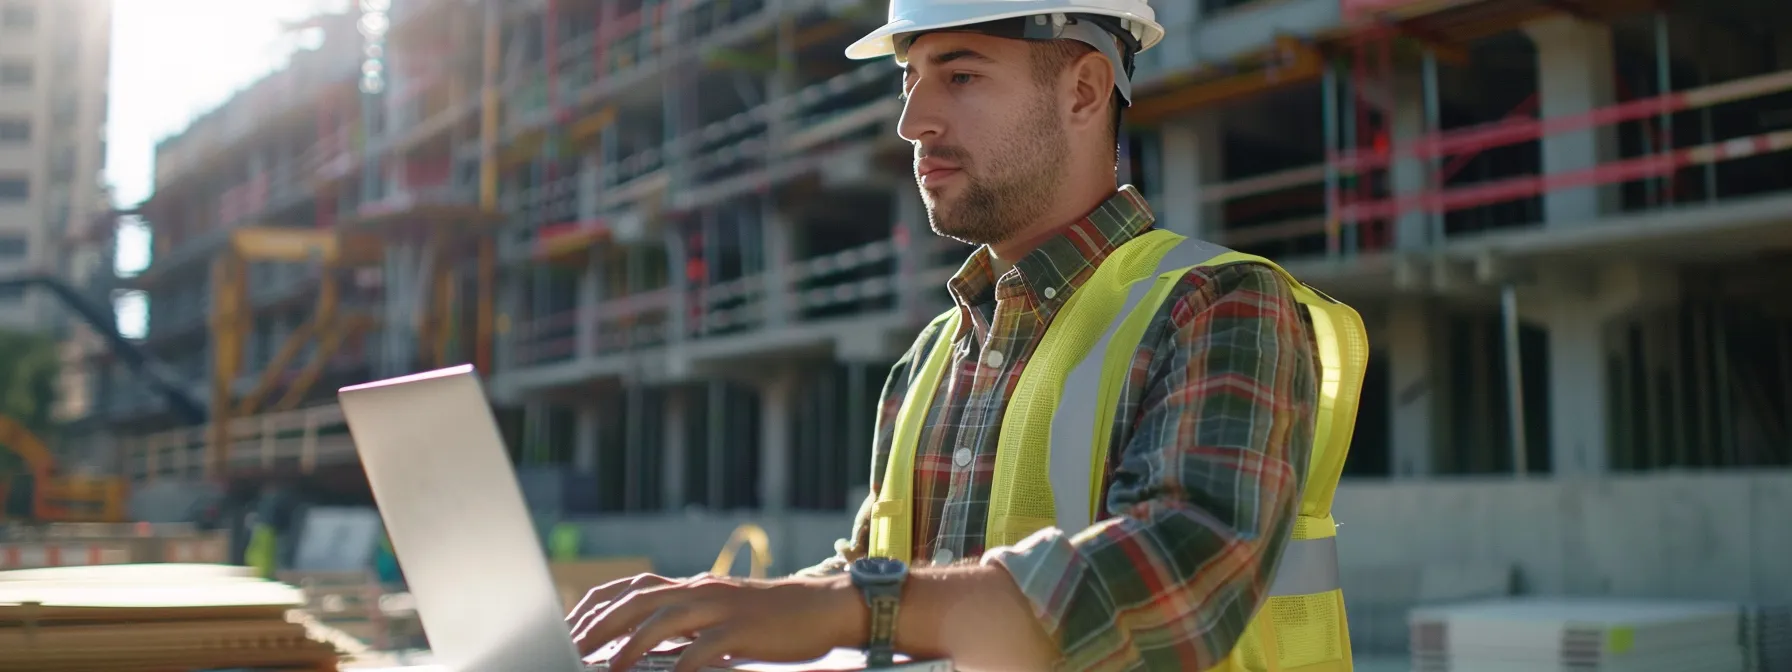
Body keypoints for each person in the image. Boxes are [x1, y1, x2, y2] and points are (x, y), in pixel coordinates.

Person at [566, 1, 1367, 671]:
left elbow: (1181, 571)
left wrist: (848, 605)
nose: (913, 121)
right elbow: (881, 592)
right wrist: (703, 634)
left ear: (1085, 91)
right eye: (910, 80)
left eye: (960, 75)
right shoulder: (929, 359)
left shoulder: (1219, 304)